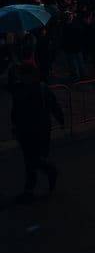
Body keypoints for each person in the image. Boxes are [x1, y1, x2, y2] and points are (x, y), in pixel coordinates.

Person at [9, 51, 64, 203]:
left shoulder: (39, 88)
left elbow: (53, 105)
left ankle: (47, 173)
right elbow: (15, 110)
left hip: (37, 128)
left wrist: (60, 119)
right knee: (30, 159)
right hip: (28, 128)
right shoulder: (20, 88)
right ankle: (31, 187)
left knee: (33, 158)